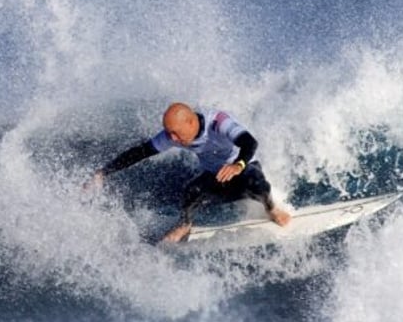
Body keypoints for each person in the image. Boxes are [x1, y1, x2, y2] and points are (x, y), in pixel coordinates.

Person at [87, 102, 291, 242]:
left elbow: (249, 142)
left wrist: (237, 165)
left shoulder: (218, 122)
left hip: (243, 170)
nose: (172, 139)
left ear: (191, 123)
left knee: (257, 182)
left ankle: (271, 208)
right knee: (190, 191)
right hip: (215, 177)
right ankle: (185, 224)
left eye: (175, 133)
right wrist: (103, 172)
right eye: (169, 133)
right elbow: (141, 152)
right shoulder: (174, 134)